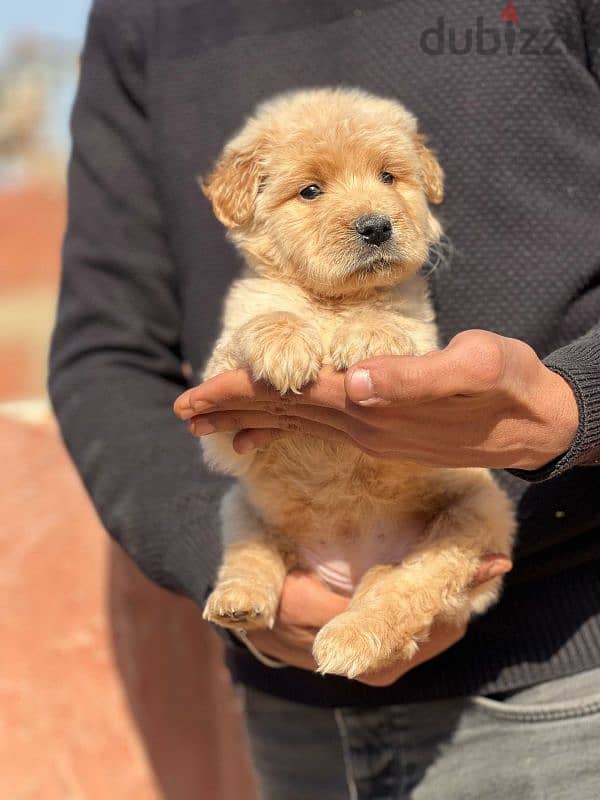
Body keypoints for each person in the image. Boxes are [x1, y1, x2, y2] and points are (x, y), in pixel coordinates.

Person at [49, 1, 600, 797]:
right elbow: (104, 350)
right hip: (292, 715)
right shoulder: (141, 16)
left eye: (388, 177)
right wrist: (232, 569)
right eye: (312, 190)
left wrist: (578, 402)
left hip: (570, 678)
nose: (370, 214)